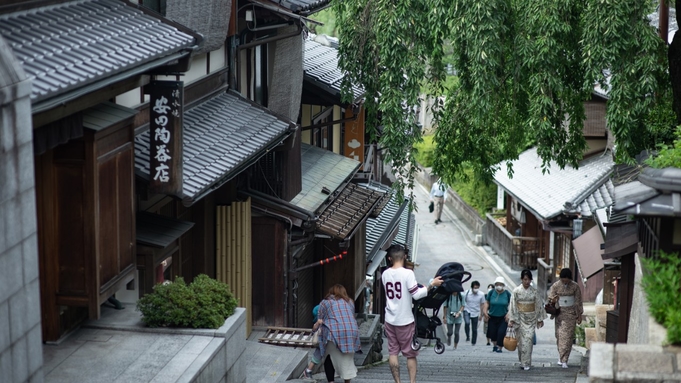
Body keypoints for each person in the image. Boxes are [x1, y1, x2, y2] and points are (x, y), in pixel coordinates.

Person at [382, 245, 444, 383]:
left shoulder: (385, 274)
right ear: (404, 257)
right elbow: (416, 295)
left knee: (393, 353)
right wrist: (431, 285)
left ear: (390, 258)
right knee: (410, 354)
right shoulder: (407, 273)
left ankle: (397, 382)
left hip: (389, 319)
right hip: (404, 320)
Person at [315, 284, 361, 383]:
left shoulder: (325, 302)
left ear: (331, 292)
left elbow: (320, 318)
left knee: (329, 356)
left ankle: (331, 381)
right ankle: (347, 381)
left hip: (334, 331)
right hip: (352, 332)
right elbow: (350, 316)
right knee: (346, 359)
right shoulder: (350, 302)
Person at [508, 270, 546, 370]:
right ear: (521, 279)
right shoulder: (516, 291)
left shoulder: (534, 291)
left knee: (528, 340)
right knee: (520, 342)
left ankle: (526, 362)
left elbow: (538, 304)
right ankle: (522, 360)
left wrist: (540, 319)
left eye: (529, 279)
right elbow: (512, 305)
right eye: (525, 279)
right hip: (519, 318)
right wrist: (512, 319)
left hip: (531, 319)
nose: (527, 282)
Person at [548, 268, 583, 369]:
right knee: (559, 336)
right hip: (560, 313)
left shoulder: (575, 286)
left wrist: (579, 314)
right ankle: (561, 356)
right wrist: (553, 300)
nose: (565, 282)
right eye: (563, 280)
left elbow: (578, 301)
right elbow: (550, 298)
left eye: (567, 280)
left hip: (571, 313)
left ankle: (564, 360)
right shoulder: (556, 286)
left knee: (567, 337)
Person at [303, 304, 336, 381]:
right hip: (322, 341)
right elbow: (314, 330)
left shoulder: (324, 319)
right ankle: (308, 370)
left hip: (326, 340)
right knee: (318, 355)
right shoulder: (320, 321)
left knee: (319, 355)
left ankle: (308, 370)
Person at [483, 276, 511, 353]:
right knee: (493, 332)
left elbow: (512, 304)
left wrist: (509, 314)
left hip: (503, 316)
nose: (499, 286)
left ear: (503, 285)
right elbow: (487, 302)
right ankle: (495, 345)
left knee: (501, 332)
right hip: (492, 316)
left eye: (500, 284)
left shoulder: (507, 294)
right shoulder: (491, 293)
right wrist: (485, 311)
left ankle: (500, 347)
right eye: (497, 284)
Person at [463, 280, 487, 345]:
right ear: (472, 287)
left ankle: (473, 342)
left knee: (474, 328)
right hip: (467, 310)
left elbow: (482, 304)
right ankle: (467, 336)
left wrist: (481, 314)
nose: (476, 289)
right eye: (475, 288)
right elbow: (463, 301)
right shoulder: (467, 293)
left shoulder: (481, 294)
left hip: (475, 312)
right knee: (467, 323)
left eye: (477, 288)